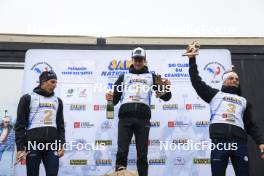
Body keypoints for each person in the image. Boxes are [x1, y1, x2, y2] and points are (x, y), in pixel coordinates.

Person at [186, 43, 264, 176]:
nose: (234, 80)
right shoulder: (215, 95)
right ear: (223, 81)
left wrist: (261, 142)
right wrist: (192, 59)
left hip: (239, 144)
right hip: (219, 142)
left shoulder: (244, 101)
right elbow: (196, 82)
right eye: (231, 78)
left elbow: (250, 125)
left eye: (236, 79)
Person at [105, 47, 172, 176]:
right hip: (125, 118)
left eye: (140, 59)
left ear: (144, 60)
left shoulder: (153, 77)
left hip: (143, 119)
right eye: (135, 59)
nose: (137, 62)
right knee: (122, 152)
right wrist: (109, 98)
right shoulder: (123, 77)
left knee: (142, 154)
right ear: (132, 60)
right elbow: (114, 100)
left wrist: (166, 89)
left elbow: (166, 97)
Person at [15, 70, 65, 176]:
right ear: (43, 82)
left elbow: (60, 125)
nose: (55, 85)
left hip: (52, 145)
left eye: (56, 82)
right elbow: (20, 125)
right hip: (33, 145)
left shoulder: (58, 101)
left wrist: (61, 144)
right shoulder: (28, 98)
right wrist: (20, 147)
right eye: (52, 82)